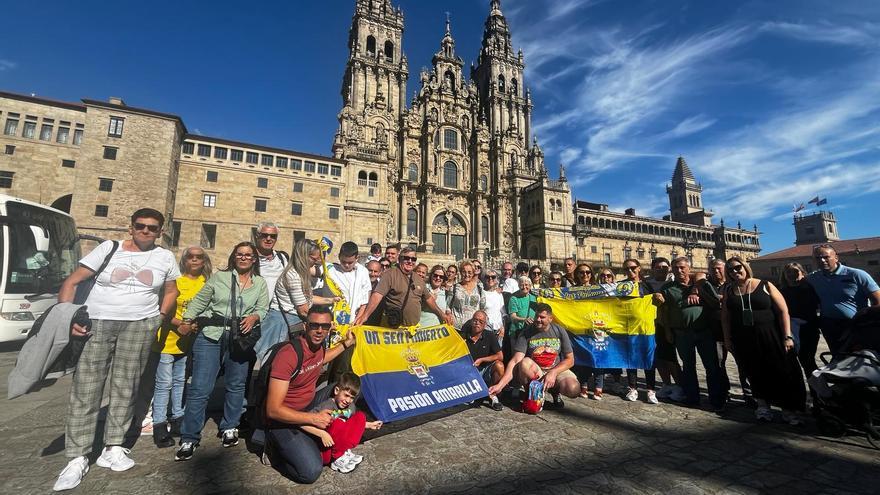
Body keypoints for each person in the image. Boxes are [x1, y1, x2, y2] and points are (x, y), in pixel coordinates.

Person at [53, 208, 180, 492]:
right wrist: (68, 318)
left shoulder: (164, 256)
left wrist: (158, 318)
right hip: (97, 323)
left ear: (160, 231)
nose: (146, 231)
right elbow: (71, 282)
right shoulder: (108, 249)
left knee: (126, 386)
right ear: (131, 227)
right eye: (140, 226)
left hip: (139, 325)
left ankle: (114, 446)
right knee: (87, 389)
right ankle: (77, 456)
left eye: (152, 228)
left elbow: (171, 290)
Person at [174, 242, 269, 461]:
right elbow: (201, 300)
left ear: (254, 259)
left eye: (248, 255)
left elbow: (263, 308)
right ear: (234, 257)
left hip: (240, 338)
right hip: (211, 334)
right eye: (240, 255)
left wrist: (255, 316)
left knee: (236, 384)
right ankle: (190, 436)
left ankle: (229, 426)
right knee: (200, 387)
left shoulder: (260, 283)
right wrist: (186, 320)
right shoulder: (220, 277)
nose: (244, 258)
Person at [263, 305, 356, 484]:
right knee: (310, 471)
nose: (320, 331)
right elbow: (273, 410)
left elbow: (323, 358)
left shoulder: (319, 347)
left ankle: (330, 428)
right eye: (314, 325)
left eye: (325, 326)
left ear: (330, 327)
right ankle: (273, 446)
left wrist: (346, 343)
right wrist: (313, 420)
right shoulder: (288, 355)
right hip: (283, 419)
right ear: (305, 326)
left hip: (307, 405)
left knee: (350, 388)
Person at [722, 257, 806, 424]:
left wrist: (787, 335)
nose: (735, 271)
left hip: (771, 334)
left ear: (745, 266)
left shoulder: (765, 285)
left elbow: (783, 311)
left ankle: (788, 409)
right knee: (754, 371)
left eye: (738, 267)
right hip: (744, 337)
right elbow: (725, 316)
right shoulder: (729, 290)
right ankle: (763, 406)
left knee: (782, 370)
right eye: (730, 270)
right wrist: (727, 339)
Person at [151, 246, 212, 448]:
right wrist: (181, 324)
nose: (194, 260)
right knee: (163, 383)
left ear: (204, 261)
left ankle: (177, 417)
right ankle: (159, 424)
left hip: (187, 341)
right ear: (184, 260)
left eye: (199, 257)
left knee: (180, 380)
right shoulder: (176, 280)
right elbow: (164, 307)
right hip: (167, 339)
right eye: (190, 257)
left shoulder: (207, 283)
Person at [653, 257, 724, 410]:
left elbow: (715, 302)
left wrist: (699, 293)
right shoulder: (668, 288)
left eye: (682, 267)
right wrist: (668, 331)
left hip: (704, 331)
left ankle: (717, 399)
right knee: (688, 366)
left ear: (689, 268)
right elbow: (664, 311)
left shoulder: (702, 283)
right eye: (676, 268)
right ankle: (692, 398)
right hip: (682, 333)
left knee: (711, 366)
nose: (679, 270)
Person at [489, 303, 580, 407]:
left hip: (556, 368)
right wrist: (500, 385)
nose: (538, 319)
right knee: (524, 363)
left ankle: (555, 392)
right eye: (536, 316)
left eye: (542, 317)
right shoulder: (526, 333)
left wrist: (553, 372)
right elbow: (515, 361)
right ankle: (532, 394)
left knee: (573, 388)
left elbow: (570, 360)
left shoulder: (559, 331)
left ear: (550, 318)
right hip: (537, 371)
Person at [301, 373, 382, 473]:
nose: (348, 400)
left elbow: (349, 424)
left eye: (352, 397)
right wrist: (322, 434)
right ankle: (337, 458)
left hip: (339, 443)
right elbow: (302, 423)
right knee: (337, 422)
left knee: (360, 416)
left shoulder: (350, 407)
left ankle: (343, 451)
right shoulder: (326, 406)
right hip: (326, 449)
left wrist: (369, 425)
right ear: (336, 391)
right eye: (346, 395)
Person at [807, 244, 880, 355]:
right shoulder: (813, 278)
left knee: (858, 358)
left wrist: (868, 323)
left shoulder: (856, 275)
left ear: (836, 257)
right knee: (838, 357)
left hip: (855, 326)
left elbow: (878, 301)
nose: (822, 260)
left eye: (826, 257)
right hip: (829, 325)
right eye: (817, 258)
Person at [354, 247, 452, 327]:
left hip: (413, 330)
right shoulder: (390, 274)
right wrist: (365, 316)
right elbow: (377, 295)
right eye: (407, 258)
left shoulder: (418, 278)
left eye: (413, 259)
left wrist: (442, 314)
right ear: (400, 259)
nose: (410, 261)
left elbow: (429, 299)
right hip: (393, 328)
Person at [270, 239, 337, 343]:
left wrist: (332, 300)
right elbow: (303, 310)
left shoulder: (301, 273)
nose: (315, 262)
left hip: (292, 321)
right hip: (284, 323)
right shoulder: (293, 276)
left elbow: (308, 298)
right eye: (313, 259)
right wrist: (325, 323)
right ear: (303, 256)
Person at [326, 242, 372, 383]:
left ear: (357, 258)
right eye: (343, 262)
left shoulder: (362, 272)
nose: (346, 265)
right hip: (332, 325)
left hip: (350, 325)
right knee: (327, 362)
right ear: (339, 257)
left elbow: (365, 298)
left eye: (350, 262)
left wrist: (359, 319)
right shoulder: (330, 269)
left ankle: (337, 392)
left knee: (343, 363)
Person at [644, 257, 684, 402]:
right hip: (652, 325)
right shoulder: (647, 283)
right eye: (658, 267)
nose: (661, 269)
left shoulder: (673, 282)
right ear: (652, 268)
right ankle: (667, 384)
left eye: (664, 267)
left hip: (669, 324)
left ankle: (680, 386)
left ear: (669, 268)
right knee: (659, 357)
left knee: (671, 357)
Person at [621, 260, 658, 404]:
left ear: (639, 268)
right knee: (631, 359)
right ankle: (632, 388)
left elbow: (657, 303)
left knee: (649, 359)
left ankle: (650, 390)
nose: (630, 271)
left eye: (633, 268)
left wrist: (658, 299)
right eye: (627, 269)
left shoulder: (648, 285)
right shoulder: (621, 286)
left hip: (647, 328)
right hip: (629, 328)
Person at [254, 222, 290, 362]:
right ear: (257, 236)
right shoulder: (249, 258)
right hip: (254, 312)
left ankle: (263, 382)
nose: (269, 239)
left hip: (275, 313)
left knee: (270, 355)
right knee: (248, 355)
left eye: (273, 236)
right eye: (265, 235)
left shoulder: (282, 258)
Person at [779, 262, 822, 376]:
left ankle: (820, 390)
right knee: (794, 362)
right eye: (788, 272)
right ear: (784, 275)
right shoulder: (781, 291)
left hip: (809, 329)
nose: (792, 275)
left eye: (795, 271)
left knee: (807, 360)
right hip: (790, 330)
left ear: (802, 273)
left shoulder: (810, 288)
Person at [464, 311, 504, 411]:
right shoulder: (463, 335)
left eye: (481, 321)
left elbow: (500, 356)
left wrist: (482, 359)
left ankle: (493, 396)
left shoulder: (490, 335)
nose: (477, 323)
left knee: (500, 365)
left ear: (485, 324)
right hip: (468, 372)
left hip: (484, 370)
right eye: (475, 320)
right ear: (471, 321)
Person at [449, 261, 486, 331]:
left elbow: (482, 308)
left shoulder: (479, 289)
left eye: (469, 272)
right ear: (460, 272)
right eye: (464, 272)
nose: (466, 274)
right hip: (456, 328)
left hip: (474, 328)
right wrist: (448, 314)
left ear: (473, 273)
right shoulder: (454, 288)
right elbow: (448, 306)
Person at [482, 269, 506, 344]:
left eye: (493, 277)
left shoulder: (499, 294)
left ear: (496, 279)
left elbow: (503, 313)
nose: (490, 279)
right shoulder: (481, 293)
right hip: (485, 329)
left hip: (498, 329)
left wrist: (503, 327)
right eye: (487, 277)